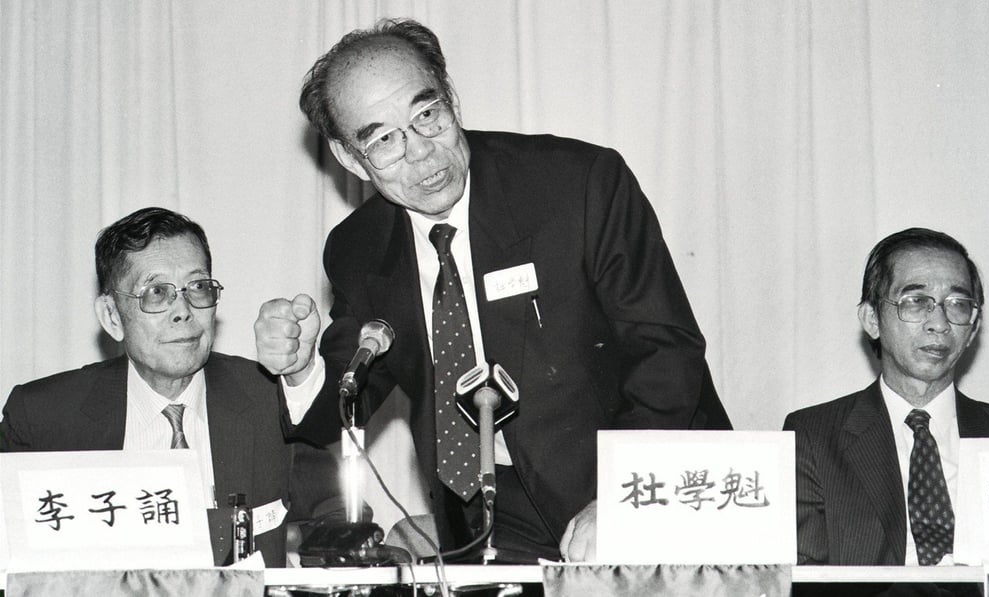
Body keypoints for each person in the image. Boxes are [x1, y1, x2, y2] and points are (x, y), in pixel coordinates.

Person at [255, 18, 730, 563]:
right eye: (385, 140)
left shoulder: (576, 184)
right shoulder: (358, 248)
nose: (422, 154)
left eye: (427, 115)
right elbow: (346, 398)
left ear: (451, 99)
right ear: (348, 158)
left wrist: (622, 497)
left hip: (643, 484)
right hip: (487, 513)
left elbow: (666, 353)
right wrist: (298, 368)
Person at [1, 207, 317, 567]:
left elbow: (338, 520)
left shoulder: (271, 400)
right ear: (112, 316)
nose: (183, 310)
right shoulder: (44, 418)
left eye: (198, 287)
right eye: (156, 292)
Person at [784, 228, 989, 566]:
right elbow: (806, 577)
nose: (939, 323)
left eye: (958, 305)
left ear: (973, 328)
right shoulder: (814, 436)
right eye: (917, 302)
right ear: (872, 319)